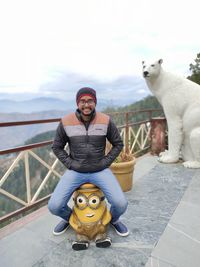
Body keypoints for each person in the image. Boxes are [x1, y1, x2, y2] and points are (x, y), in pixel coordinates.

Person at [48, 87, 129, 237]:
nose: (86, 105)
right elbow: (57, 147)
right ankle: (72, 218)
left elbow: (118, 143)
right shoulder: (66, 121)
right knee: (54, 206)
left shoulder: (105, 120)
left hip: (100, 170)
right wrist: (71, 164)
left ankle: (113, 219)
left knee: (121, 204)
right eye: (82, 101)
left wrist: (105, 163)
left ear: (95, 102)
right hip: (76, 170)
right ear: (78, 103)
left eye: (90, 101)